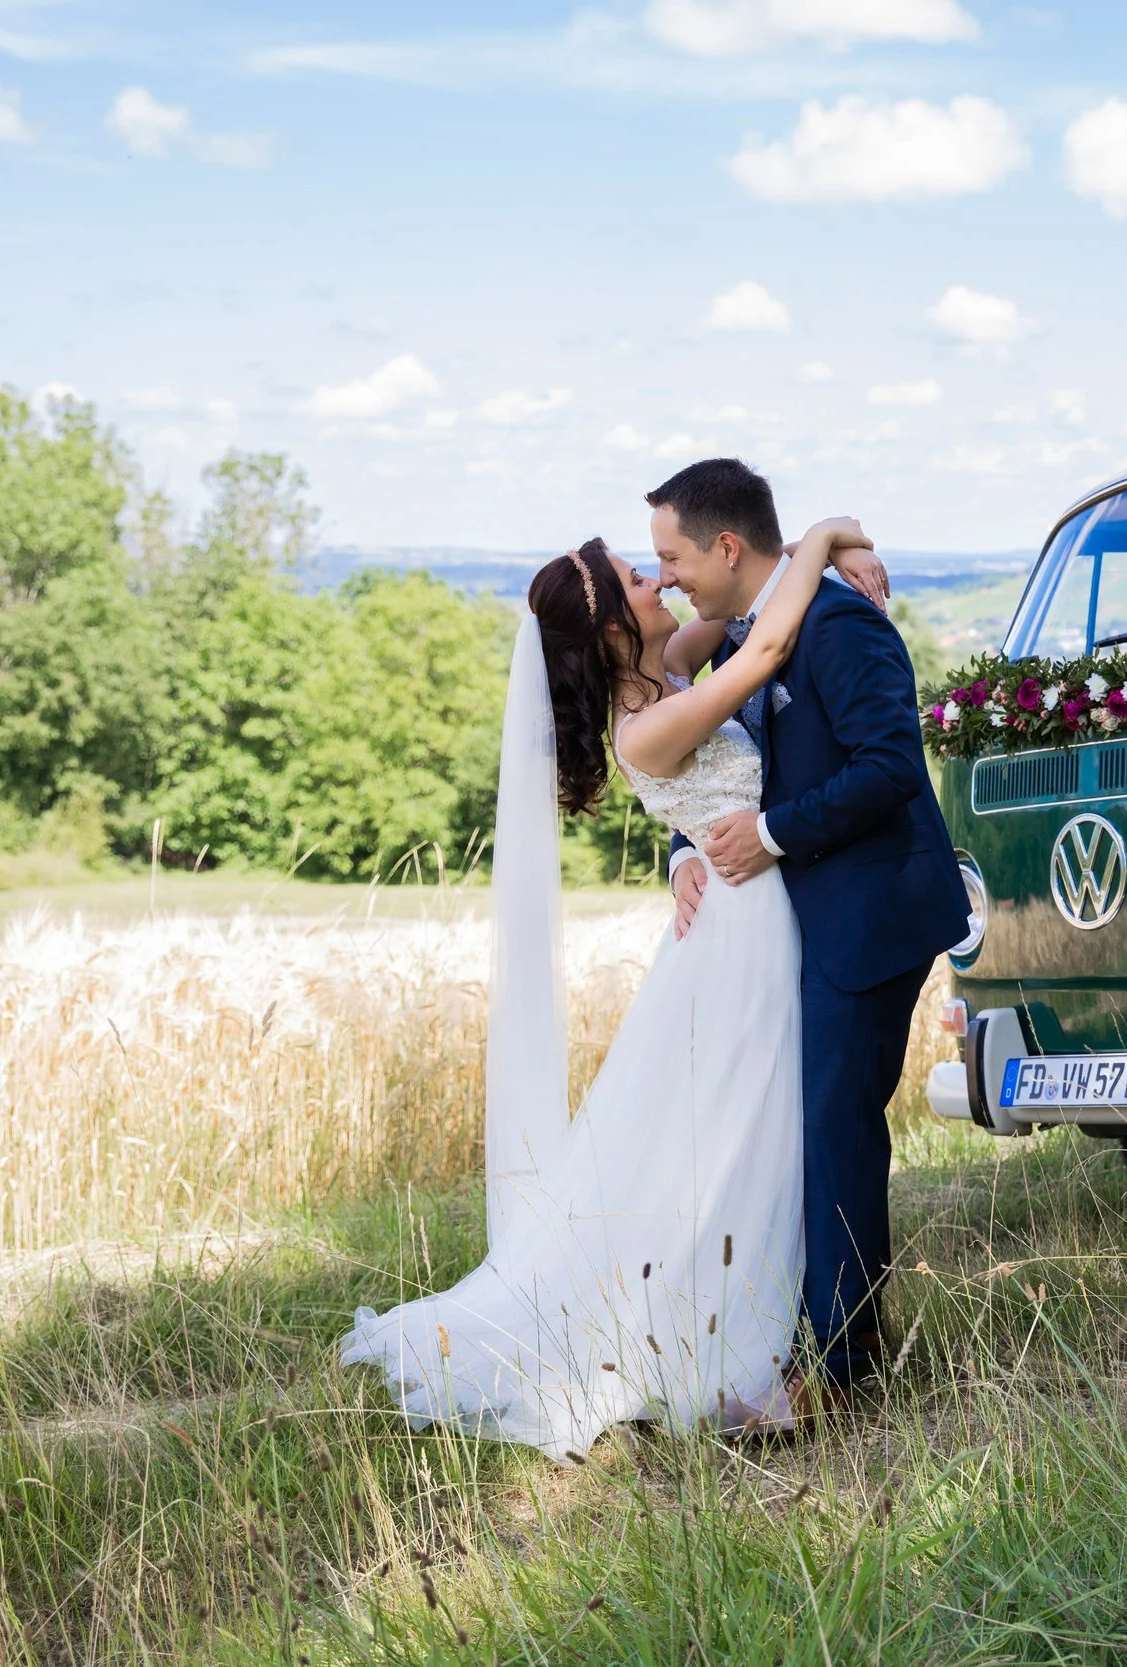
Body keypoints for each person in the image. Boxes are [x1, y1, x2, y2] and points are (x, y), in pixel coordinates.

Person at [339, 509, 886, 1457]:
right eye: (643, 580)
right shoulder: (645, 727)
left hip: (745, 916)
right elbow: (765, 652)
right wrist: (831, 529)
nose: (663, 586)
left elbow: (748, 610)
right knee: (743, 1127)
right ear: (609, 631)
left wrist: (821, 554)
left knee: (742, 1126)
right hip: (741, 938)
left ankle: (772, 1320)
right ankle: (717, 1343)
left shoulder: (670, 674)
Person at [652, 457, 971, 1414]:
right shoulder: (736, 646)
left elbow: (889, 767)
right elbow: (717, 773)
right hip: (797, 922)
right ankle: (819, 1325)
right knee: (806, 1123)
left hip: (870, 913)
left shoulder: (841, 626)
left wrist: (774, 836)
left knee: (831, 1125)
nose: (667, 576)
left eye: (672, 556)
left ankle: (840, 1362)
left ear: (727, 545)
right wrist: (686, 853)